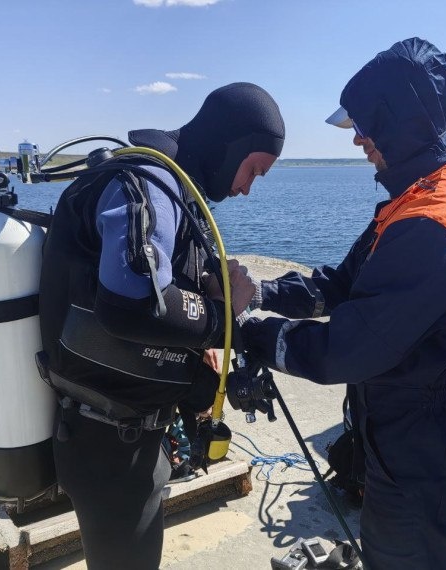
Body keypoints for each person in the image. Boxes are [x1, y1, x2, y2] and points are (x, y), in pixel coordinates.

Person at [241, 38, 446, 569]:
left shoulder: (435, 223)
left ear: (398, 123)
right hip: (409, 431)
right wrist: (261, 292)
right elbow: (345, 284)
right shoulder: (425, 192)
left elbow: (349, 349)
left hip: (422, 446)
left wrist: (250, 331)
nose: (358, 139)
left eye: (365, 126)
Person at [37, 82, 285, 569]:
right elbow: (130, 307)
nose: (246, 188)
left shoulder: (175, 190)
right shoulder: (146, 183)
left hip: (122, 438)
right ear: (228, 145)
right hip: (107, 444)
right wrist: (222, 318)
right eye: (253, 170)